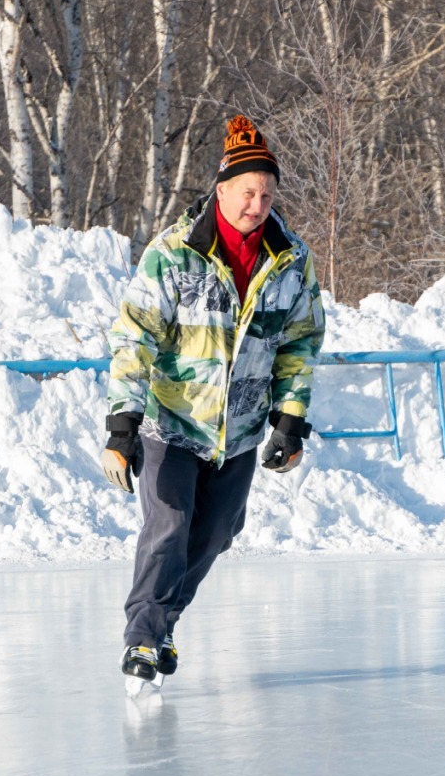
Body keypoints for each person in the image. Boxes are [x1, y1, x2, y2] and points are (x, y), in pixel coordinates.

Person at [101, 114, 326, 684]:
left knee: (218, 532)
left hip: (241, 430)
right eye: (248, 191)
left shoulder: (290, 260)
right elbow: (135, 336)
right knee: (169, 527)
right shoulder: (175, 253)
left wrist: (289, 421)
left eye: (267, 193)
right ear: (221, 189)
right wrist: (122, 426)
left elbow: (300, 342)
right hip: (171, 422)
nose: (257, 203)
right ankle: (143, 640)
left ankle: (164, 623)